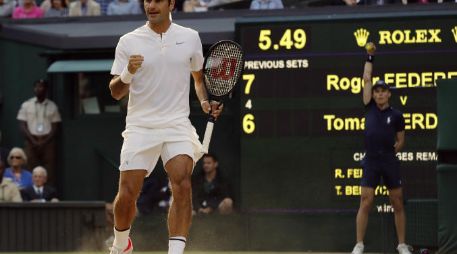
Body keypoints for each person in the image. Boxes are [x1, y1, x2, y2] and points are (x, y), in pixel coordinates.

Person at [107, 0, 223, 251]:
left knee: (182, 182)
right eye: (147, 0)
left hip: (176, 124)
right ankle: (120, 245)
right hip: (140, 126)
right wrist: (127, 72)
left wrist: (204, 101)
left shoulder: (190, 38)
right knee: (127, 193)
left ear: (171, 3)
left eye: (157, 0)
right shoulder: (128, 41)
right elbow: (115, 92)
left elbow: (198, 79)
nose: (151, 5)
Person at [351, 42, 410, 254]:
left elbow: (401, 140)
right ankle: (359, 244)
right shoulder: (368, 107)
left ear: (389, 94)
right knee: (365, 201)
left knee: (397, 202)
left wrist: (391, 154)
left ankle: (401, 245)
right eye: (377, 91)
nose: (379, 94)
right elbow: (366, 78)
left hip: (388, 160)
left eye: (383, 91)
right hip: (371, 161)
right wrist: (369, 57)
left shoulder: (397, 116)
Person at [17, 79, 61, 186]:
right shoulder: (26, 105)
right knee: (29, 167)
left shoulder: (52, 106)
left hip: (47, 141)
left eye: (41, 86)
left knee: (49, 169)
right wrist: (33, 141)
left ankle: (48, 195)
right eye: (36, 86)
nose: (38, 89)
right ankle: (31, 193)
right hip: (31, 140)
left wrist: (44, 142)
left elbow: (55, 127)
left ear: (46, 89)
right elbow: (22, 125)